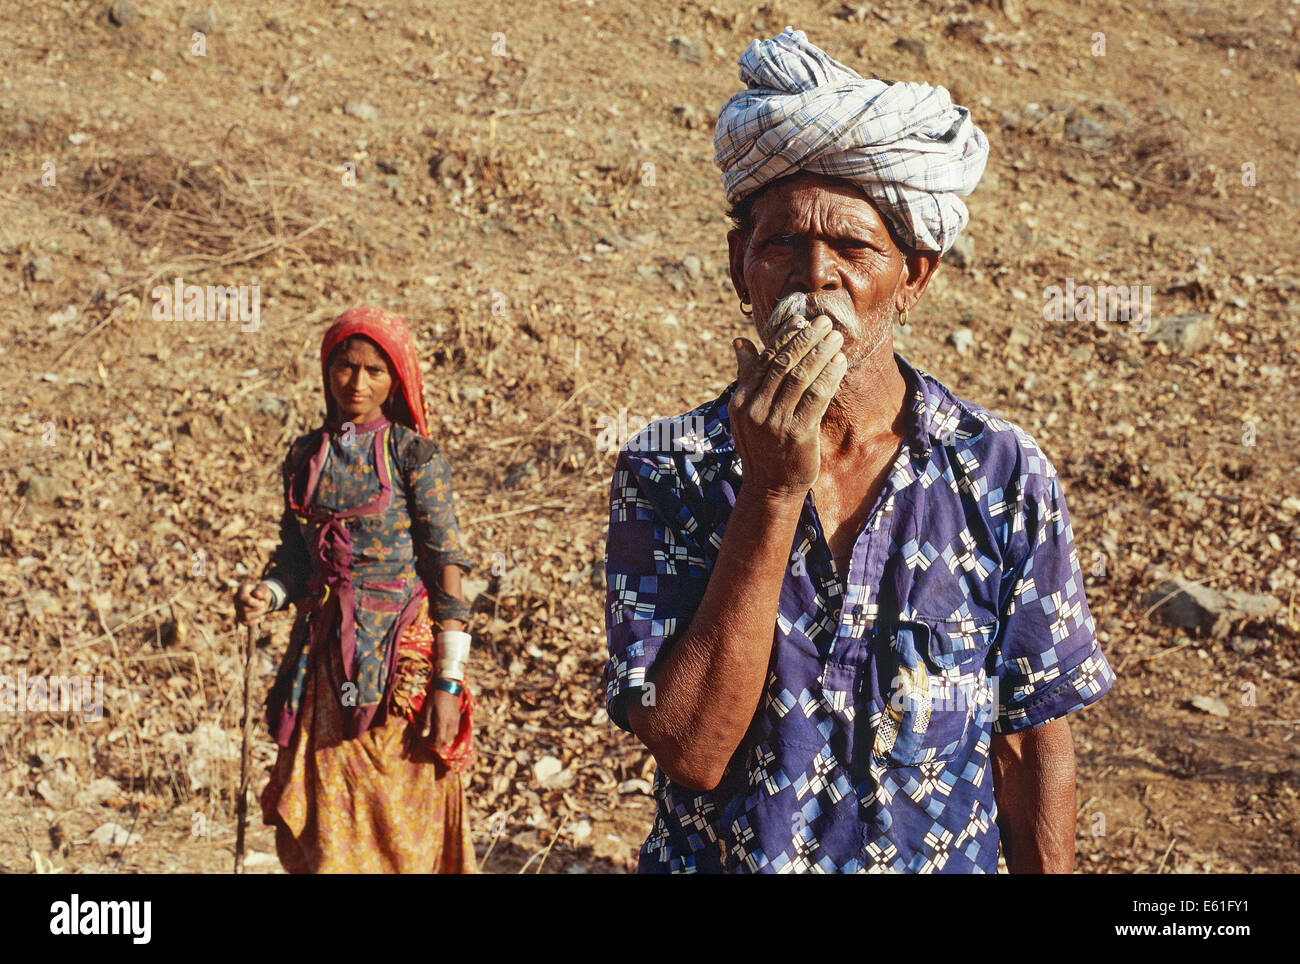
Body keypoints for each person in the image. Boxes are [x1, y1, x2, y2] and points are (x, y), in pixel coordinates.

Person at [603, 28, 1115, 873]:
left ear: (914, 276)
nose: (816, 275)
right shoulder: (669, 470)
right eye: (781, 246)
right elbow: (691, 748)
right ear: (741, 267)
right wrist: (769, 494)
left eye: (853, 248)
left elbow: (1030, 747)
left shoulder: (998, 472)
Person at [234, 305, 477, 873]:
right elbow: (294, 560)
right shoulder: (305, 457)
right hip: (323, 664)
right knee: (329, 823)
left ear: (396, 379)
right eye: (345, 366)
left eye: (375, 370)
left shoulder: (413, 456)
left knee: (400, 815)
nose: (357, 383)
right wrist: (266, 595)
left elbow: (447, 567)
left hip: (399, 667)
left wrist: (449, 679)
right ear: (327, 370)